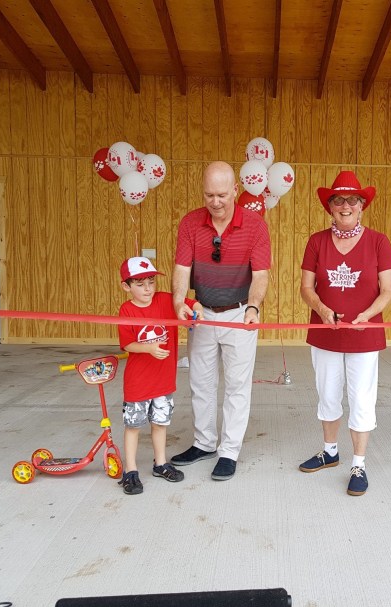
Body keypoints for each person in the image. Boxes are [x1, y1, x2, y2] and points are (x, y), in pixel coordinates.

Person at [170, 161, 271, 481]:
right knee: (200, 382)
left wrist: (253, 307)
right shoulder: (190, 223)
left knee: (237, 386)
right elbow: (182, 269)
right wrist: (179, 302)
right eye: (209, 195)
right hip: (202, 313)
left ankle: (229, 451)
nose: (215, 202)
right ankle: (203, 443)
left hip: (240, 313)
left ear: (235, 191)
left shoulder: (255, 225)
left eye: (222, 195)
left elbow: (261, 274)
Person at [298, 170, 391, 496]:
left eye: (352, 200)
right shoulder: (316, 241)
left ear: (361, 205)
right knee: (327, 393)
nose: (345, 206)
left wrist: (368, 315)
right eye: (339, 200)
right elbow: (306, 288)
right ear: (330, 206)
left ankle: (358, 463)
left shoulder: (378, 241)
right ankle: (329, 451)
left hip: (364, 334)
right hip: (325, 332)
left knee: (361, 398)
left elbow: (388, 289)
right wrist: (322, 309)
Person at [117, 256, 204, 495]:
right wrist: (149, 348)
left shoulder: (166, 300)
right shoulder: (126, 310)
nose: (147, 289)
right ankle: (130, 470)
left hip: (163, 381)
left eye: (151, 282)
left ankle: (160, 463)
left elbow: (191, 303)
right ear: (126, 286)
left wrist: (196, 311)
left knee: (160, 424)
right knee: (133, 426)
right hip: (138, 382)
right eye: (140, 284)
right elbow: (127, 344)